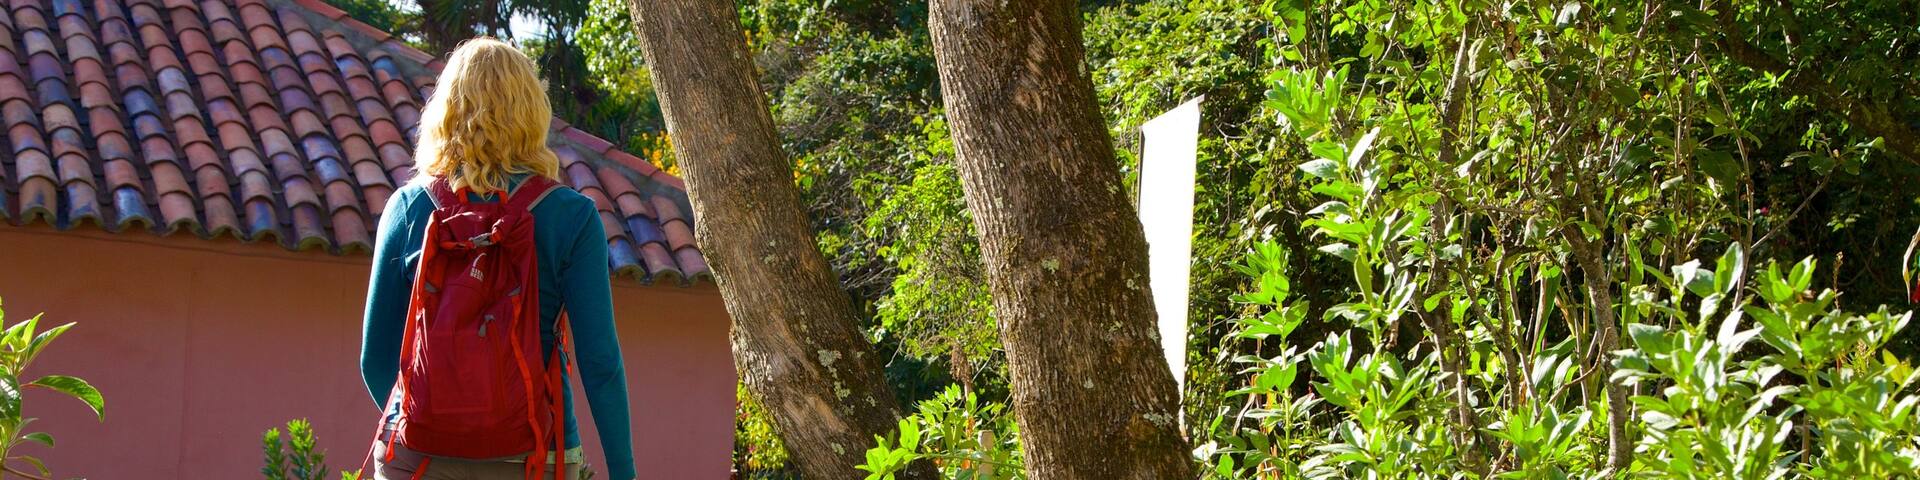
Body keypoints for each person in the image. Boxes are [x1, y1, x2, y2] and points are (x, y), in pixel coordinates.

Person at [360, 37, 636, 480]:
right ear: (533, 111)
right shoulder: (572, 215)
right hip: (533, 455)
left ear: (445, 110)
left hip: (418, 458)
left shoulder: (407, 207)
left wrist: (434, 424)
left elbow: (374, 358)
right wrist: (624, 473)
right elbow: (600, 363)